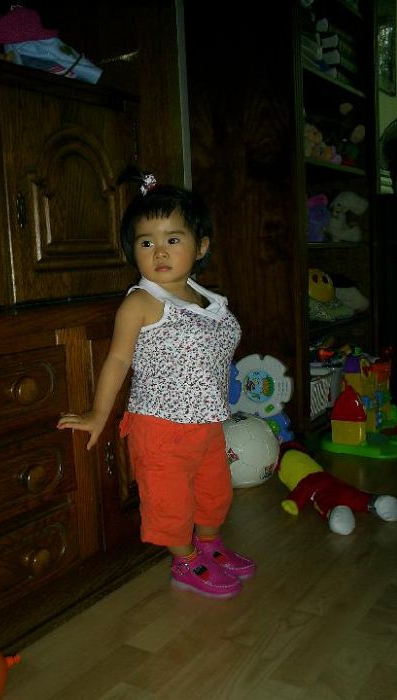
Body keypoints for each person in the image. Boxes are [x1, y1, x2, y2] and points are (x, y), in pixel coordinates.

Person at [57, 172, 256, 599]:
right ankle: (185, 561)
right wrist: (98, 413)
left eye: (173, 239)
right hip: (161, 426)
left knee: (214, 491)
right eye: (146, 242)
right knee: (170, 500)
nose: (159, 251)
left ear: (201, 246)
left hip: (207, 422)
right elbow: (117, 359)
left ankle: (210, 545)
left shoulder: (207, 300)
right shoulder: (142, 302)